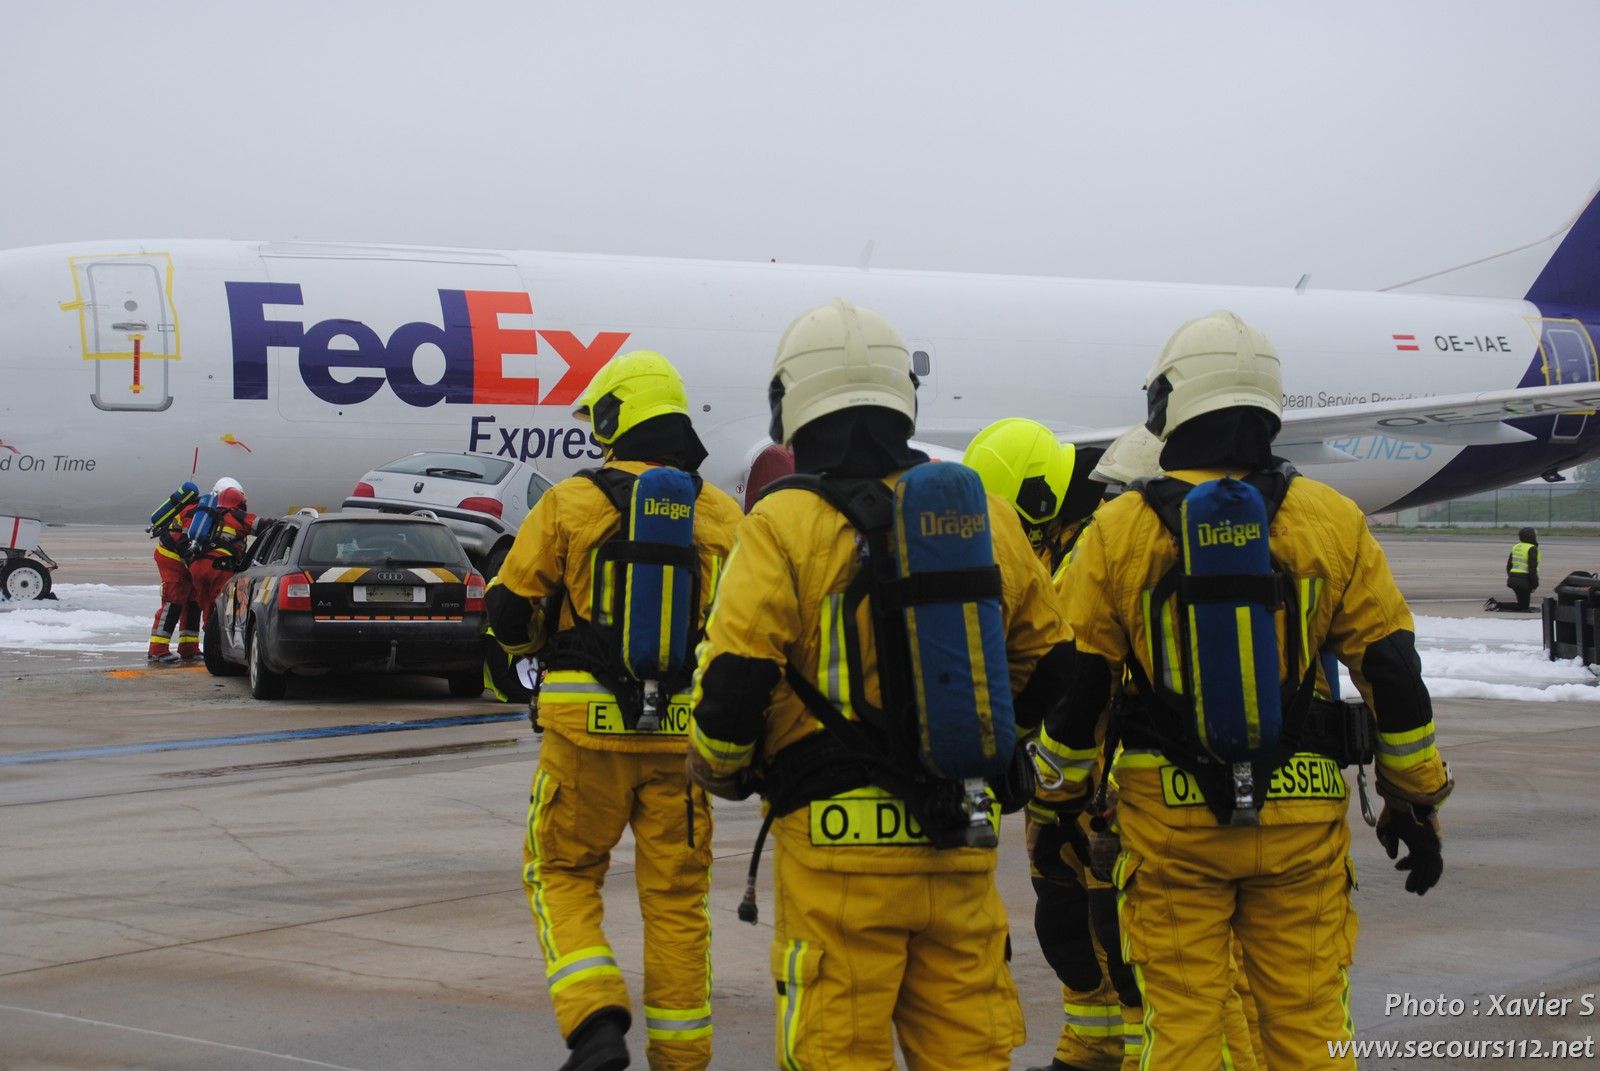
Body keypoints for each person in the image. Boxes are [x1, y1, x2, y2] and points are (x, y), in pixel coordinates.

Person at [1033, 310, 1454, 1069]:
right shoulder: (1333, 521)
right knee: (1308, 1027)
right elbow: (1393, 672)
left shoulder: (1120, 530)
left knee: (1184, 1030)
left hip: (1171, 830)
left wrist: (1058, 806)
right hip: (1303, 821)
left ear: (1169, 406)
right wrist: (1414, 798)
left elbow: (1078, 690)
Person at [687, 300, 1072, 1070]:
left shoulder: (779, 522)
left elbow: (733, 684)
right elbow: (1055, 669)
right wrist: (989, 747)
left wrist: (721, 767)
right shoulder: (984, 516)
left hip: (835, 855)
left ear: (790, 403)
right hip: (960, 839)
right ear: (905, 397)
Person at [487, 350, 741, 1071]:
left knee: (560, 871)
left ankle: (596, 1020)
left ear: (612, 418)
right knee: (678, 900)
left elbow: (510, 612)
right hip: (682, 745)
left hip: (582, 740)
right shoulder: (722, 512)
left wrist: (535, 641)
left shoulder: (570, 500)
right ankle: (682, 1059)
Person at [963, 418, 1125, 1071]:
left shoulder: (1095, 552)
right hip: (1061, 793)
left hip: (1105, 793)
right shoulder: (1060, 551)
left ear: (1038, 504)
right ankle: (1093, 1045)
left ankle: (1144, 1050)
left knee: (1126, 941)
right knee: (1069, 930)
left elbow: (1075, 680)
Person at [188, 478, 257, 630]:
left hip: (197, 566)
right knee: (224, 607)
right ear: (239, 502)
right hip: (219, 567)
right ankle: (223, 642)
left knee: (207, 610)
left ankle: (211, 643)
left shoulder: (207, 516)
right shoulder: (235, 515)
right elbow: (262, 525)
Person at [148, 484, 202, 663]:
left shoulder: (207, 513)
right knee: (173, 602)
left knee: (193, 602)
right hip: (172, 559)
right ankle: (158, 650)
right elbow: (184, 542)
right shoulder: (194, 512)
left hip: (184, 561)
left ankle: (189, 648)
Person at [1485, 526, 1540, 611]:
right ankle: (1496, 604)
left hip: (1514, 579)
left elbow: (1509, 566)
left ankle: (1496, 605)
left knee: (1523, 605)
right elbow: (1532, 569)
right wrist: (1534, 584)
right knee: (1523, 607)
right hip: (1524, 581)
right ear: (1531, 537)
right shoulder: (1532, 548)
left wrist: (1512, 577)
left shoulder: (1516, 547)